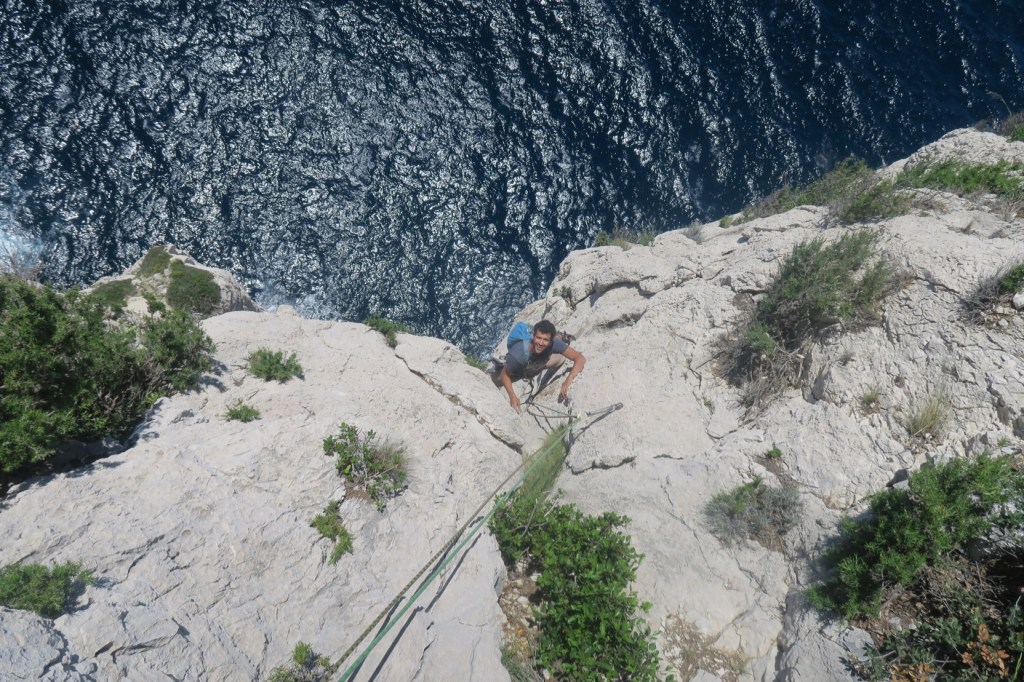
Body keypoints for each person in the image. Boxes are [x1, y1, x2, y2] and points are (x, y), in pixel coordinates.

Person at [493, 319, 586, 413]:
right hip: (524, 364)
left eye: (545, 340)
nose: (541, 343)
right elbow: (504, 374)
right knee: (496, 380)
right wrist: (512, 396)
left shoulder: (553, 343)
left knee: (561, 359)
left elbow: (579, 358)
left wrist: (569, 379)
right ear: (533, 337)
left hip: (541, 361)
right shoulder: (519, 355)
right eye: (538, 338)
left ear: (550, 342)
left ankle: (560, 336)